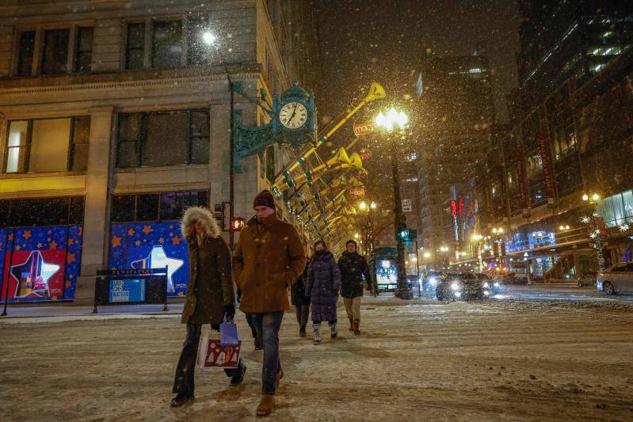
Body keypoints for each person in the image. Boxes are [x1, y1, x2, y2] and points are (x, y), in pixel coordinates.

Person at [233, 190, 306, 417]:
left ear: (272, 208)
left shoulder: (286, 230)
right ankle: (276, 370)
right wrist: (241, 279)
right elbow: (237, 259)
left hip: (274, 295)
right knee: (262, 338)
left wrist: (287, 278)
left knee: (269, 337)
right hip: (251, 296)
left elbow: (300, 258)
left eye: (263, 209)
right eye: (256, 210)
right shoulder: (246, 232)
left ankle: (267, 393)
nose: (260, 213)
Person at [171, 206, 245, 408]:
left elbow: (225, 275)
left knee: (224, 339)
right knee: (190, 344)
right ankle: (184, 391)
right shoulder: (192, 244)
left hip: (215, 300)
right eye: (193, 224)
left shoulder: (217, 243)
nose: (197, 227)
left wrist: (229, 302)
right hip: (194, 302)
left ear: (207, 223)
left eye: (200, 223)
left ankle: (237, 369)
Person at [305, 240, 341, 345]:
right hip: (316, 291)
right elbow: (310, 277)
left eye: (320, 247)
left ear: (324, 248)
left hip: (329, 290)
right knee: (316, 314)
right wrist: (308, 291)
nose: (319, 249)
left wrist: (336, 287)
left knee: (331, 312)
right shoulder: (313, 261)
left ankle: (333, 328)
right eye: (317, 247)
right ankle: (317, 334)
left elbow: (336, 273)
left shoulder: (330, 260)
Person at [338, 239, 371, 335]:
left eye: (352, 245)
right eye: (349, 246)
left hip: (357, 286)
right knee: (348, 309)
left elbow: (366, 272)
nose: (351, 247)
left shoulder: (361, 259)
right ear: (346, 247)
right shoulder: (341, 259)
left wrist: (369, 283)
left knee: (356, 307)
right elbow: (338, 273)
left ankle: (356, 326)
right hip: (346, 287)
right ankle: (351, 322)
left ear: (355, 247)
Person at [291, 256, 311, 337]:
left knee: (305, 309)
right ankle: (301, 325)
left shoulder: (309, 267)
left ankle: (303, 327)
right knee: (299, 310)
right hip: (296, 291)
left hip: (305, 291)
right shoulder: (294, 266)